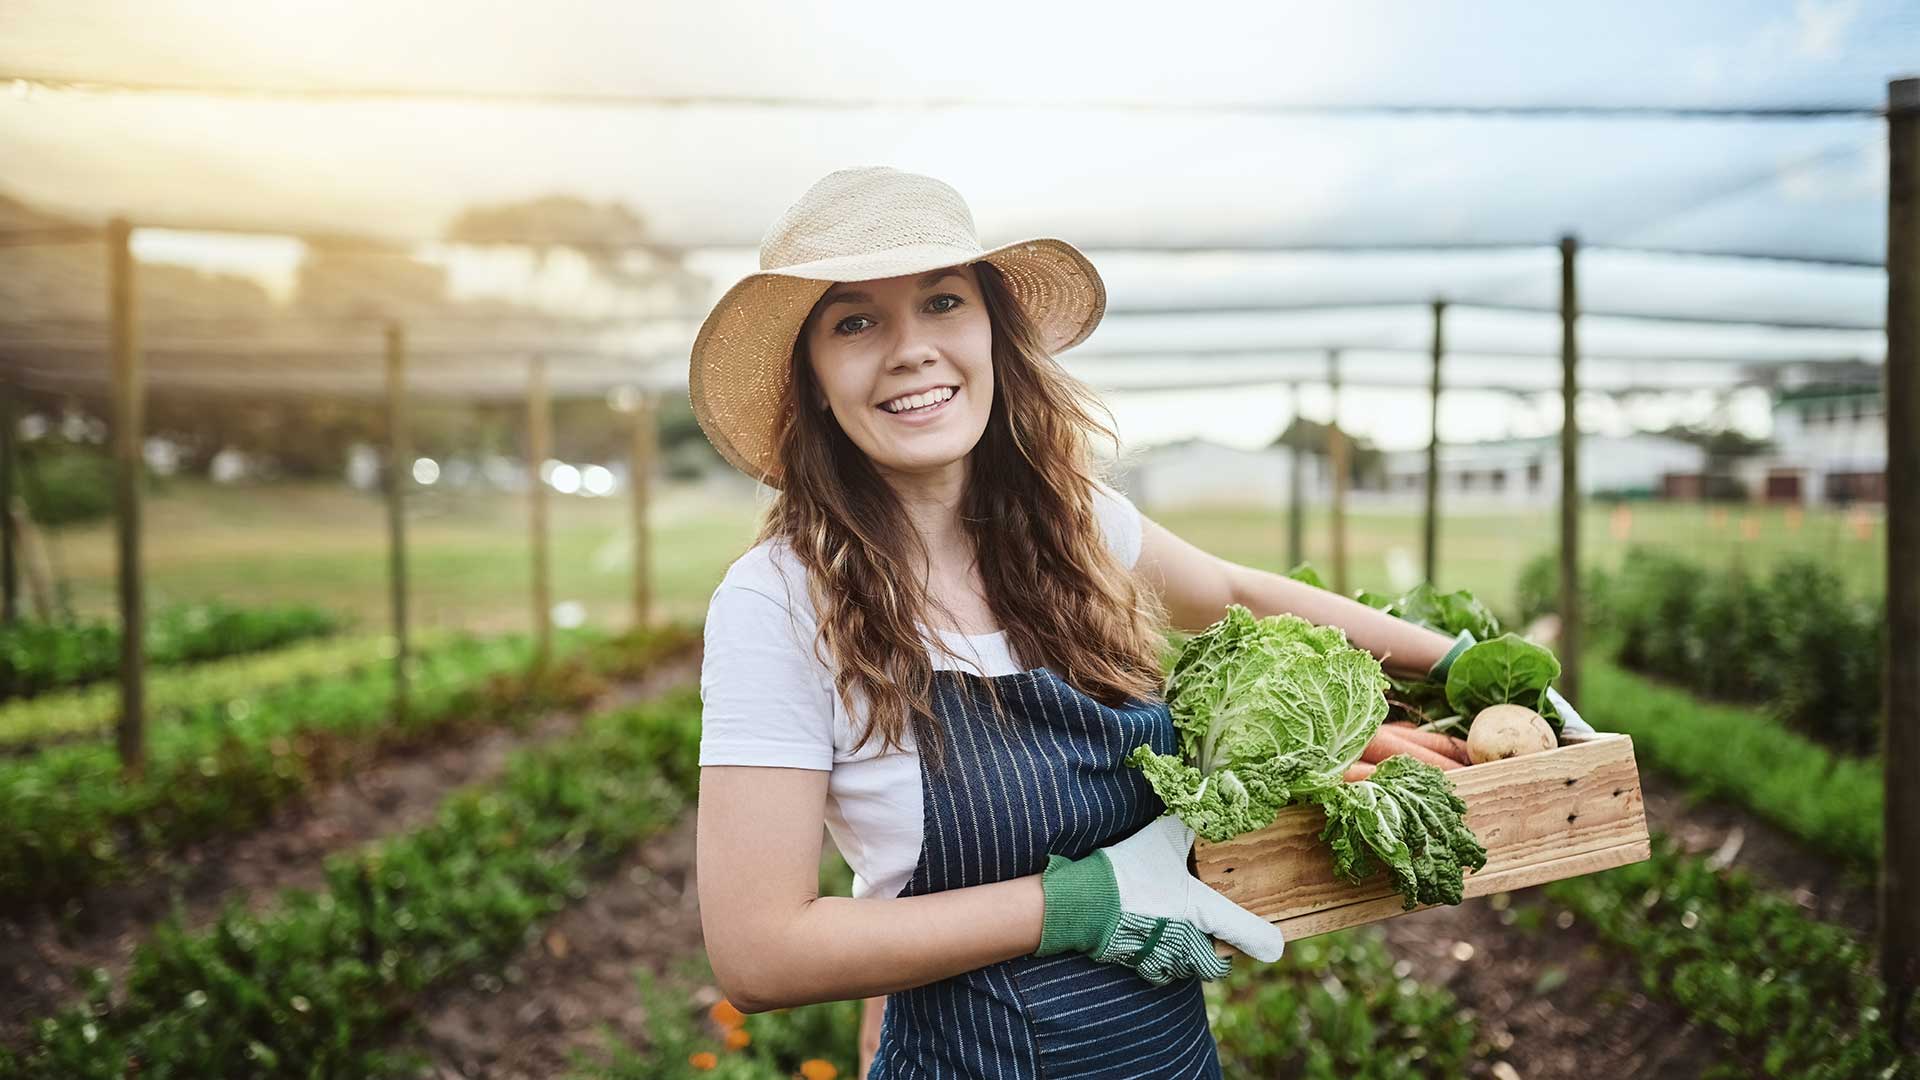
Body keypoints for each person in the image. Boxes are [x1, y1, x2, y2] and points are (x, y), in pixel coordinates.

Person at [690, 166, 1590, 1079]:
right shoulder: (780, 603)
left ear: (995, 330)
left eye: (943, 301)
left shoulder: (1071, 529)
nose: (911, 348)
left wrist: (1468, 666)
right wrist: (1080, 902)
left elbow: (1236, 592)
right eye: (854, 321)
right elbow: (761, 952)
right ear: (811, 375)